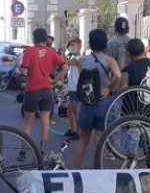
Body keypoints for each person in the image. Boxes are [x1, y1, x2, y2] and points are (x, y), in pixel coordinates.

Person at [73, 29, 121, 169]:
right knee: (100, 141)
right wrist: (109, 88)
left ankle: (75, 171)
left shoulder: (82, 61)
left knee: (83, 141)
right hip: (103, 103)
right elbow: (117, 75)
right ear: (105, 43)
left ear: (90, 43)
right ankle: (97, 172)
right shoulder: (109, 60)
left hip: (87, 103)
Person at [20, 28, 68, 154]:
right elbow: (65, 67)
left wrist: (17, 64)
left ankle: (23, 150)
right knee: (45, 120)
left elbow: (24, 72)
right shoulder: (51, 52)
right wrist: (55, 79)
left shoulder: (29, 51)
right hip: (47, 90)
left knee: (28, 123)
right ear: (45, 39)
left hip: (32, 90)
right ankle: (43, 149)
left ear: (34, 38)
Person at [64, 38, 82, 140]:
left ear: (79, 46)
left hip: (76, 89)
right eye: (70, 45)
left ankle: (79, 132)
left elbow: (65, 63)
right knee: (70, 111)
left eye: (74, 45)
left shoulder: (78, 58)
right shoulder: (73, 57)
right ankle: (73, 130)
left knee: (77, 112)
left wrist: (65, 53)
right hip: (71, 88)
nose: (71, 47)